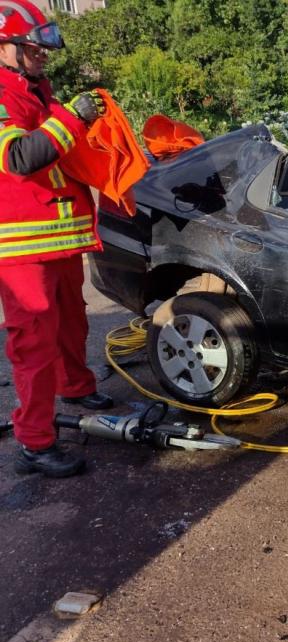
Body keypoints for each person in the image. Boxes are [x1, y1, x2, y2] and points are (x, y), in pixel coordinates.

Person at [0, 0, 113, 478]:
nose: (43, 56)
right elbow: (21, 157)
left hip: (59, 237)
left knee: (72, 323)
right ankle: (35, 442)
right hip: (23, 250)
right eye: (33, 48)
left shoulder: (36, 88)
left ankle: (77, 387)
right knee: (35, 344)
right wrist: (73, 117)